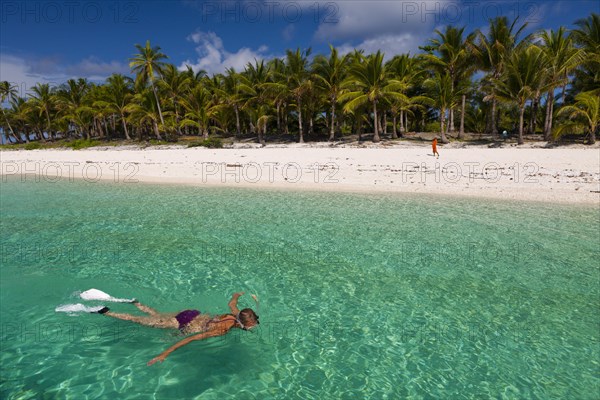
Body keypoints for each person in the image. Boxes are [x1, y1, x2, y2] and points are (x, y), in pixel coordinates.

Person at [95, 292, 259, 365]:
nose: (252, 328)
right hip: (182, 324)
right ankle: (106, 312)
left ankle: (136, 303)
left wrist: (238, 294)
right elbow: (191, 338)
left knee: (157, 316)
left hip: (191, 314)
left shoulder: (236, 314)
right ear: (242, 323)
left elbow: (232, 303)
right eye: (250, 326)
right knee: (140, 321)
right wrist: (165, 353)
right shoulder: (222, 330)